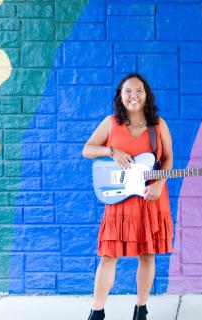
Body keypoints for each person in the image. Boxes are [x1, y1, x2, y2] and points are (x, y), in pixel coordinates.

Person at [81, 73, 174, 320]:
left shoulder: (158, 125)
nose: (134, 95)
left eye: (139, 91)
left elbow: (168, 160)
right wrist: (111, 151)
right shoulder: (111, 123)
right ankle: (97, 312)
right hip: (120, 200)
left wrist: (160, 183)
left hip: (149, 196)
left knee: (147, 254)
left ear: (147, 95)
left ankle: (141, 310)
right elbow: (87, 150)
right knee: (109, 255)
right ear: (120, 96)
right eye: (128, 91)